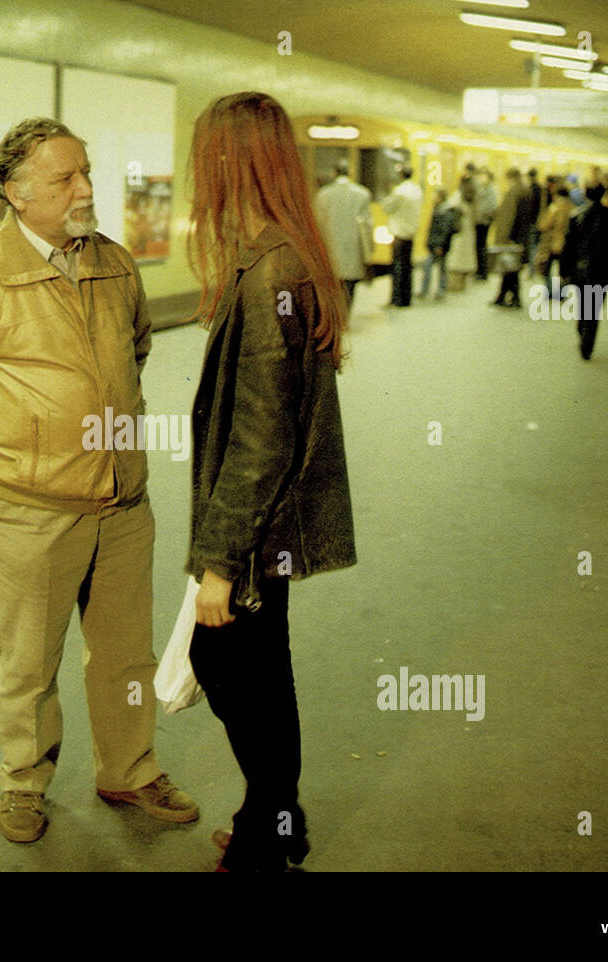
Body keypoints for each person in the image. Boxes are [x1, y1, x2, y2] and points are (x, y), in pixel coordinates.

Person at [0, 117, 197, 845]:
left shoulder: (115, 265)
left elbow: (136, 352)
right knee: (29, 661)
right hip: (29, 515)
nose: (86, 189)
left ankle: (128, 767)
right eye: (66, 178)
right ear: (17, 194)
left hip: (124, 505)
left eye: (86, 172)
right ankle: (24, 781)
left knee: (126, 652)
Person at [184, 91, 356, 872]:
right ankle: (276, 823)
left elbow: (260, 437)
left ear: (231, 162)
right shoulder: (280, 254)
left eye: (206, 156)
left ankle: (269, 833)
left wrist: (219, 562)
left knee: (229, 667)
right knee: (261, 666)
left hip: (259, 523)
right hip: (274, 519)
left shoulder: (269, 273)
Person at [560, 183, 608, 360]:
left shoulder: (577, 216)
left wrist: (564, 269)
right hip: (603, 270)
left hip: (580, 270)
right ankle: (588, 343)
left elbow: (569, 245)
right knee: (595, 308)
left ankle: (582, 329)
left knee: (583, 304)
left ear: (585, 194)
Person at [313, 157, 373, 312]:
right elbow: (367, 225)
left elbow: (318, 223)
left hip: (329, 249)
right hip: (353, 248)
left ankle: (334, 317)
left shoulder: (323, 194)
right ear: (349, 173)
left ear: (333, 173)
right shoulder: (363, 194)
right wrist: (369, 250)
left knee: (332, 287)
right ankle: (346, 316)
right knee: (349, 287)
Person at [383, 163, 423, 307]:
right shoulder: (417, 190)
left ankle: (396, 299)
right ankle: (406, 299)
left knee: (397, 267)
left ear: (401, 175)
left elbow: (386, 207)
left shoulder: (400, 191)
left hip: (399, 232)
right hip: (410, 233)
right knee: (407, 267)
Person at [490, 168, 531, 308]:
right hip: (521, 235)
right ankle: (505, 296)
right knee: (511, 268)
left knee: (509, 268)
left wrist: (504, 236)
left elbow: (509, 215)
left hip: (511, 237)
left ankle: (512, 297)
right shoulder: (525, 189)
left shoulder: (514, 191)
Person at [534, 178, 574, 300]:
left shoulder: (555, 207)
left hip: (552, 243)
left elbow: (543, 225)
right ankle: (562, 292)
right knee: (563, 269)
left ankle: (551, 291)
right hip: (567, 243)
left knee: (546, 268)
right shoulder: (572, 207)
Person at [418, 188, 457, 300]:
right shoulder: (439, 209)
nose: (432, 197)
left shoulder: (445, 211)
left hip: (439, 245)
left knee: (434, 267)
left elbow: (444, 230)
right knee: (439, 267)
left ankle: (435, 291)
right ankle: (437, 290)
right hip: (436, 244)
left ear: (440, 197)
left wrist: (439, 245)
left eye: (434, 195)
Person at [473, 168, 498, 280]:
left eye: (484, 176)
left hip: (484, 221)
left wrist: (482, 214)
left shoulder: (492, 190)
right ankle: (479, 269)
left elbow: (490, 206)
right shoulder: (482, 188)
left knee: (482, 246)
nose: (482, 178)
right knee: (479, 246)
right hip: (479, 220)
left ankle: (483, 272)